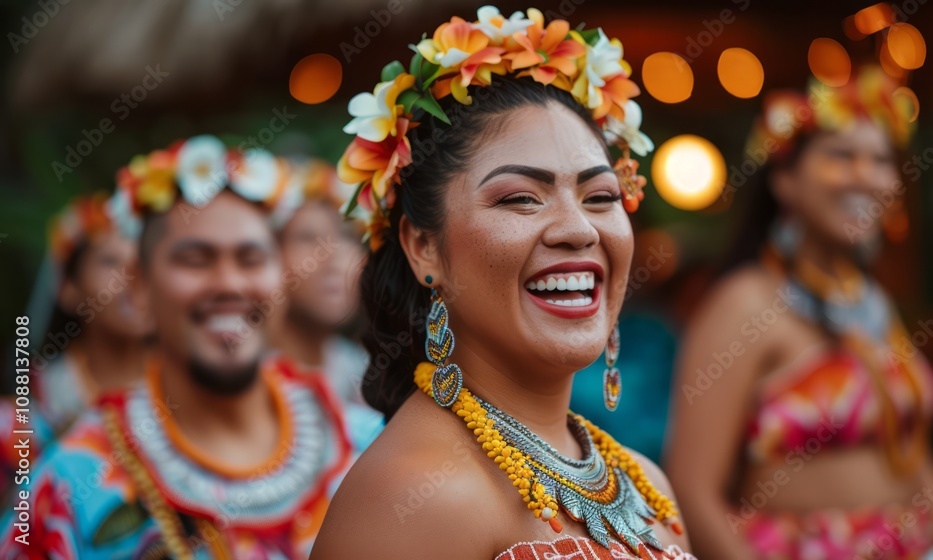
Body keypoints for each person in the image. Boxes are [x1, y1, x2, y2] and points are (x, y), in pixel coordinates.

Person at [311, 6, 695, 559]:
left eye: (601, 197)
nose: (577, 228)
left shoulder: (649, 487)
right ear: (424, 248)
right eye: (520, 198)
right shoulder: (415, 497)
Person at [665, 67, 933, 559]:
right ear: (785, 181)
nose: (867, 175)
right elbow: (691, 488)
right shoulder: (745, 302)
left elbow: (912, 456)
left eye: (881, 160)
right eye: (841, 156)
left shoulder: (872, 303)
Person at [2, 135, 354, 558]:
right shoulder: (67, 486)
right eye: (195, 259)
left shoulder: (366, 447)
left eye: (251, 258)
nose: (229, 283)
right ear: (140, 287)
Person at [0, 193, 151, 494]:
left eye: (143, 263)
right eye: (111, 262)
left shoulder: (195, 394)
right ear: (68, 288)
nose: (133, 279)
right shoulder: (25, 417)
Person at [269, 158, 383, 452]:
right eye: (308, 238)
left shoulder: (365, 371)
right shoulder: (238, 375)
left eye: (347, 237)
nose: (334, 258)